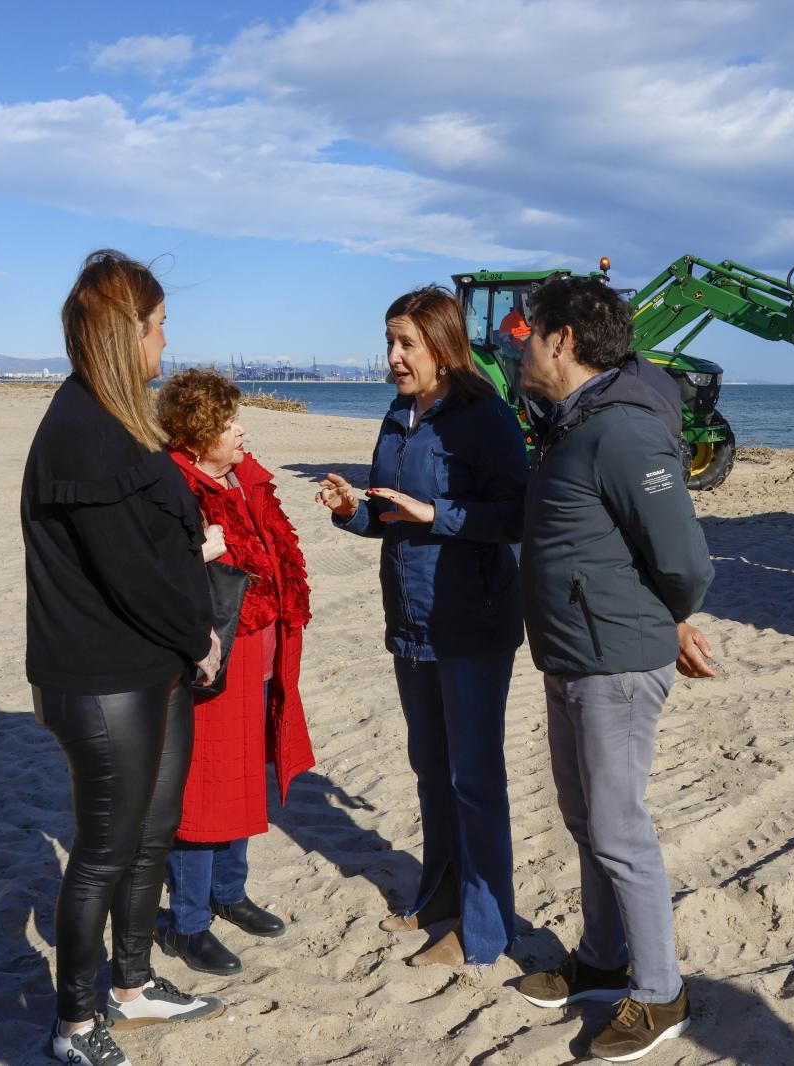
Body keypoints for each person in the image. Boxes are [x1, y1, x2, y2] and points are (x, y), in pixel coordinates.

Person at [21, 250, 224, 1066]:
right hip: (103, 679)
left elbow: (158, 545)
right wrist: (200, 635)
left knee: (152, 834)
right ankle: (74, 1026)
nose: (166, 344)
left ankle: (132, 984)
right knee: (102, 852)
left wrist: (185, 633)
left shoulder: (122, 419)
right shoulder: (82, 432)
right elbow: (133, 573)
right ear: (124, 333)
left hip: (152, 666)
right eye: (159, 326)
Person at [511, 277, 716, 1063]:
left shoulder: (622, 431)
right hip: (571, 653)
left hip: (614, 662)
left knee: (621, 830)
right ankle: (600, 959)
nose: (519, 344)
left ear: (562, 341)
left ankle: (661, 992)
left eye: (528, 332)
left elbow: (685, 563)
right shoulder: (573, 423)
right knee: (585, 819)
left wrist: (665, 624)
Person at [314, 285, 528, 967]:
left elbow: (517, 517)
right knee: (431, 771)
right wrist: (351, 508)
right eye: (389, 341)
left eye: (405, 342)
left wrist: (438, 516)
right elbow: (387, 512)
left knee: (474, 779)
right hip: (409, 619)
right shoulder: (397, 414)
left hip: (471, 621)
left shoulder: (484, 417)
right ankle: (438, 898)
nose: (393, 356)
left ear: (442, 343)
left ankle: (485, 931)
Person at [153, 368, 315, 975]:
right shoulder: (174, 486)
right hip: (214, 656)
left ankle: (229, 891)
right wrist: (203, 550)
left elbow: (275, 560)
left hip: (263, 653)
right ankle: (188, 923)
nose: (241, 430)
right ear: (197, 435)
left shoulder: (245, 479)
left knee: (245, 772)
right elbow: (158, 574)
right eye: (226, 423)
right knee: (203, 785)